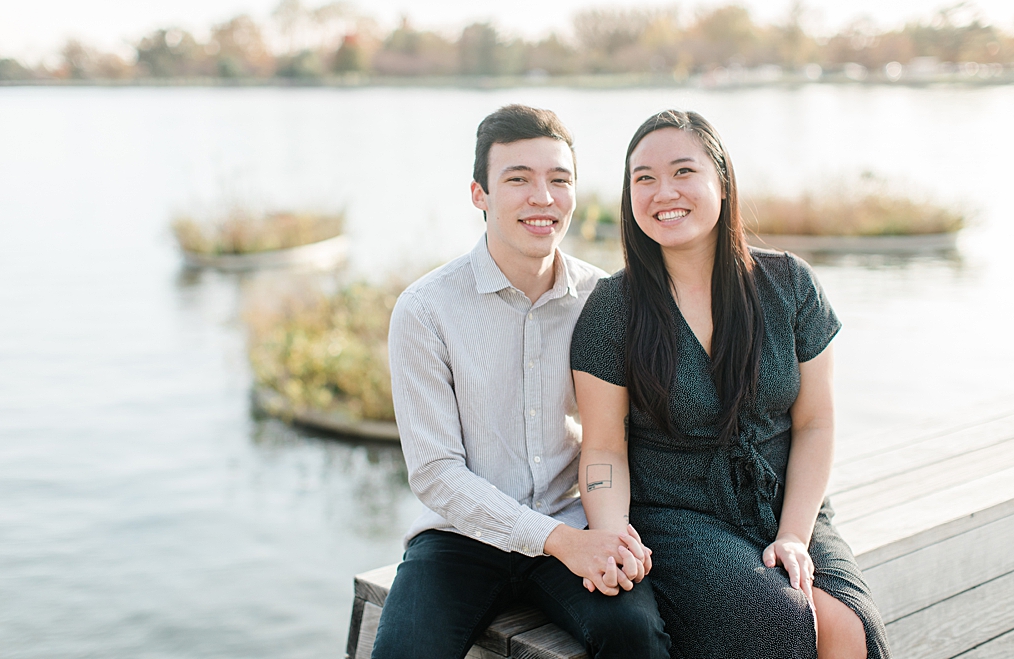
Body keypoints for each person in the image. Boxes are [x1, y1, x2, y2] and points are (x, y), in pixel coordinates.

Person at [570, 109, 891, 659]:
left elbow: (816, 423)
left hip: (784, 499)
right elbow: (602, 446)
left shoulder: (789, 284)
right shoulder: (612, 308)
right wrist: (611, 535)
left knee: (849, 628)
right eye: (643, 178)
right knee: (780, 624)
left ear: (722, 181)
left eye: (683, 171)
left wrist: (793, 532)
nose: (662, 191)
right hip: (678, 514)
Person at [370, 104, 671, 659]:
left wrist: (607, 532)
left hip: (574, 519)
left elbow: (623, 434)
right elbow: (436, 474)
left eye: (560, 180)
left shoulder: (601, 299)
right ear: (479, 194)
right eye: (519, 179)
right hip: (461, 540)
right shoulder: (426, 308)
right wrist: (562, 543)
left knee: (636, 636)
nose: (544, 198)